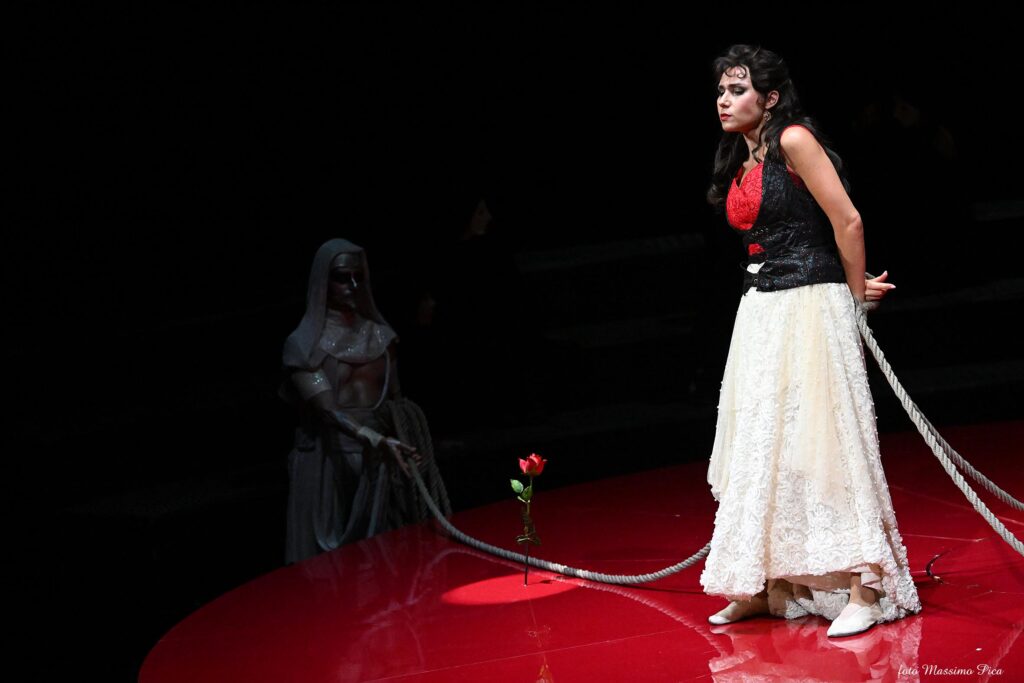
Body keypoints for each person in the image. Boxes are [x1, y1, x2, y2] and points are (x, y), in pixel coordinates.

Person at [698, 45, 922, 638]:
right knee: (761, 443)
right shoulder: (741, 156)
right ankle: (768, 585)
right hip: (761, 310)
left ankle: (866, 588)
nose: (724, 100)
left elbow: (847, 221)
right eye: (721, 90)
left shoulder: (794, 139)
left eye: (738, 90)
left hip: (809, 306)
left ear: (770, 97)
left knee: (826, 443)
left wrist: (854, 292)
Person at [280, 238, 447, 564]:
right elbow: (327, 409)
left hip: (380, 461)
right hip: (328, 461)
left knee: (386, 558)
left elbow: (395, 400)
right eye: (343, 277)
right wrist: (375, 438)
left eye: (359, 276)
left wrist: (404, 439)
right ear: (324, 281)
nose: (353, 285)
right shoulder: (304, 345)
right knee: (327, 566)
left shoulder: (382, 337)